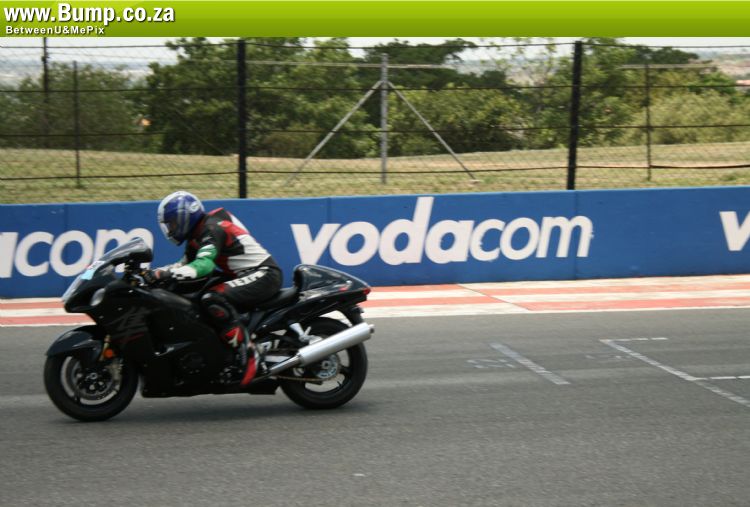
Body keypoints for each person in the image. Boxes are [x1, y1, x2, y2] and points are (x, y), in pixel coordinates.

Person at [147, 190, 282, 387]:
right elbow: (184, 264)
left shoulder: (211, 228)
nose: (171, 229)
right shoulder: (197, 235)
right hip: (243, 275)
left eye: (173, 223)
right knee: (197, 294)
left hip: (264, 274)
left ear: (185, 217)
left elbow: (204, 265)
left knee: (212, 298)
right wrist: (153, 273)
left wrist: (168, 275)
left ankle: (250, 352)